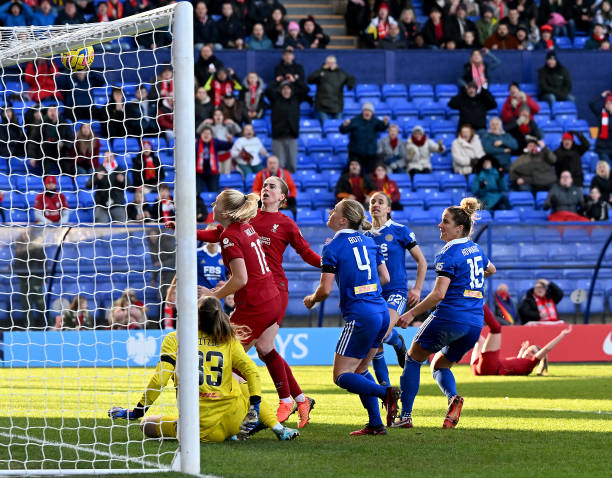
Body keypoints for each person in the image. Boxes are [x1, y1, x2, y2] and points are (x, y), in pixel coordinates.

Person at [108, 296, 300, 442]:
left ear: (195, 315)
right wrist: (255, 404)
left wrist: (137, 411)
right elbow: (252, 371)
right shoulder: (228, 339)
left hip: (197, 427)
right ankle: (278, 429)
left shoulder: (175, 338)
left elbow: (160, 379)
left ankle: (231, 430)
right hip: (232, 421)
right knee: (239, 380)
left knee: (146, 425)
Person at [198, 190, 313, 427]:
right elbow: (216, 235)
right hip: (268, 296)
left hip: (257, 303)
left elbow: (241, 279)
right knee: (262, 348)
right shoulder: (245, 226)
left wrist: (212, 295)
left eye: (217, 202)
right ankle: (297, 400)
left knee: (225, 359)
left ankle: (256, 416)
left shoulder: (236, 234)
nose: (212, 203)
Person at [394, 198, 496, 429]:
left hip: (451, 315)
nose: (440, 226)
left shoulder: (448, 253)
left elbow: (439, 294)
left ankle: (405, 416)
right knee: (440, 364)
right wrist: (470, 284)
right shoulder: (476, 249)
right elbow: (491, 269)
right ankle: (453, 398)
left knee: (413, 358)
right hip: (474, 322)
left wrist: (411, 314)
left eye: (445, 222)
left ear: (459, 228)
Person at [303, 199, 400, 436]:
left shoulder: (332, 247)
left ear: (343, 219)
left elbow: (324, 290)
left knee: (341, 376)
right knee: (360, 370)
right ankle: (376, 424)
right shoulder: (369, 241)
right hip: (380, 312)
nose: (330, 212)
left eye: (334, 210)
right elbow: (385, 278)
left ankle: (385, 393)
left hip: (360, 315)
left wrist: (311, 300)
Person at [365, 192, 427, 388]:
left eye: (380, 202)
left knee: (381, 332)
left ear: (388, 209)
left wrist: (417, 289)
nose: (376, 204)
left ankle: (398, 343)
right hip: (373, 294)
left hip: (396, 292)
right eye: (373, 202)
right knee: (375, 343)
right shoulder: (364, 236)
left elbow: (422, 261)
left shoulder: (400, 230)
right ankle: (386, 390)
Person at [471, 305, 572, 376]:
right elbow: (516, 363)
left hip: (489, 368)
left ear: (537, 359)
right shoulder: (522, 364)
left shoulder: (530, 364)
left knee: (496, 328)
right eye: (529, 349)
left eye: (533, 352)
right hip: (477, 368)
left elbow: (546, 349)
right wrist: (523, 350)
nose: (529, 352)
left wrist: (562, 335)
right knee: (480, 339)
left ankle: (479, 303)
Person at [266, 77, 310, 173]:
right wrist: (277, 81)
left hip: (292, 137)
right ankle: (280, 186)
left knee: (292, 165)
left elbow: (306, 89)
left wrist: (295, 80)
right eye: (284, 88)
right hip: (278, 138)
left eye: (288, 88)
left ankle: (290, 186)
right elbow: (268, 90)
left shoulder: (296, 99)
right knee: (279, 166)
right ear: (280, 90)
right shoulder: (275, 99)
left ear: (291, 90)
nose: (286, 91)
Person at [340, 102, 389, 173]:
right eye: (366, 110)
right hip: (355, 153)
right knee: (355, 173)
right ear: (362, 111)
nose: (367, 113)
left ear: (372, 113)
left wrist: (386, 123)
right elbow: (343, 131)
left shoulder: (375, 121)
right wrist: (344, 125)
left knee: (370, 175)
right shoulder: (355, 120)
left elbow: (382, 127)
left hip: (370, 154)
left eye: (369, 111)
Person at [308, 55, 356, 124]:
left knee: (337, 127)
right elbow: (309, 80)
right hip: (322, 106)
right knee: (326, 126)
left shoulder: (341, 73)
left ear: (336, 64)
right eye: (329, 63)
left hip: (337, 105)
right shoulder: (321, 72)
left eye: (332, 63)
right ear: (325, 63)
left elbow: (351, 79)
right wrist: (320, 73)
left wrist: (350, 85)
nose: (331, 65)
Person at [86, 151, 128, 223]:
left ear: (113, 158)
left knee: (122, 228)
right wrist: (96, 178)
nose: (108, 159)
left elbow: (129, 186)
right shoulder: (99, 169)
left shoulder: (120, 169)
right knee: (100, 230)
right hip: (101, 205)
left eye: (110, 157)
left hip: (117, 204)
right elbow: (88, 186)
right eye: (106, 157)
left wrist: (123, 180)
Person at [195, 126, 233, 194]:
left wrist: (230, 140)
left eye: (208, 133)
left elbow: (227, 146)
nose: (206, 135)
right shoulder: (196, 143)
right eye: (204, 133)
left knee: (215, 193)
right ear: (201, 135)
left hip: (212, 172)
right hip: (198, 172)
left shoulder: (215, 142)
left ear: (211, 135)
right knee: (198, 193)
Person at [589, 90, 612, 164]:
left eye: (610, 103)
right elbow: (591, 104)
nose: (608, 105)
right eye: (607, 103)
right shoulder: (601, 114)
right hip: (602, 147)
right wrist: (601, 96)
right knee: (607, 167)